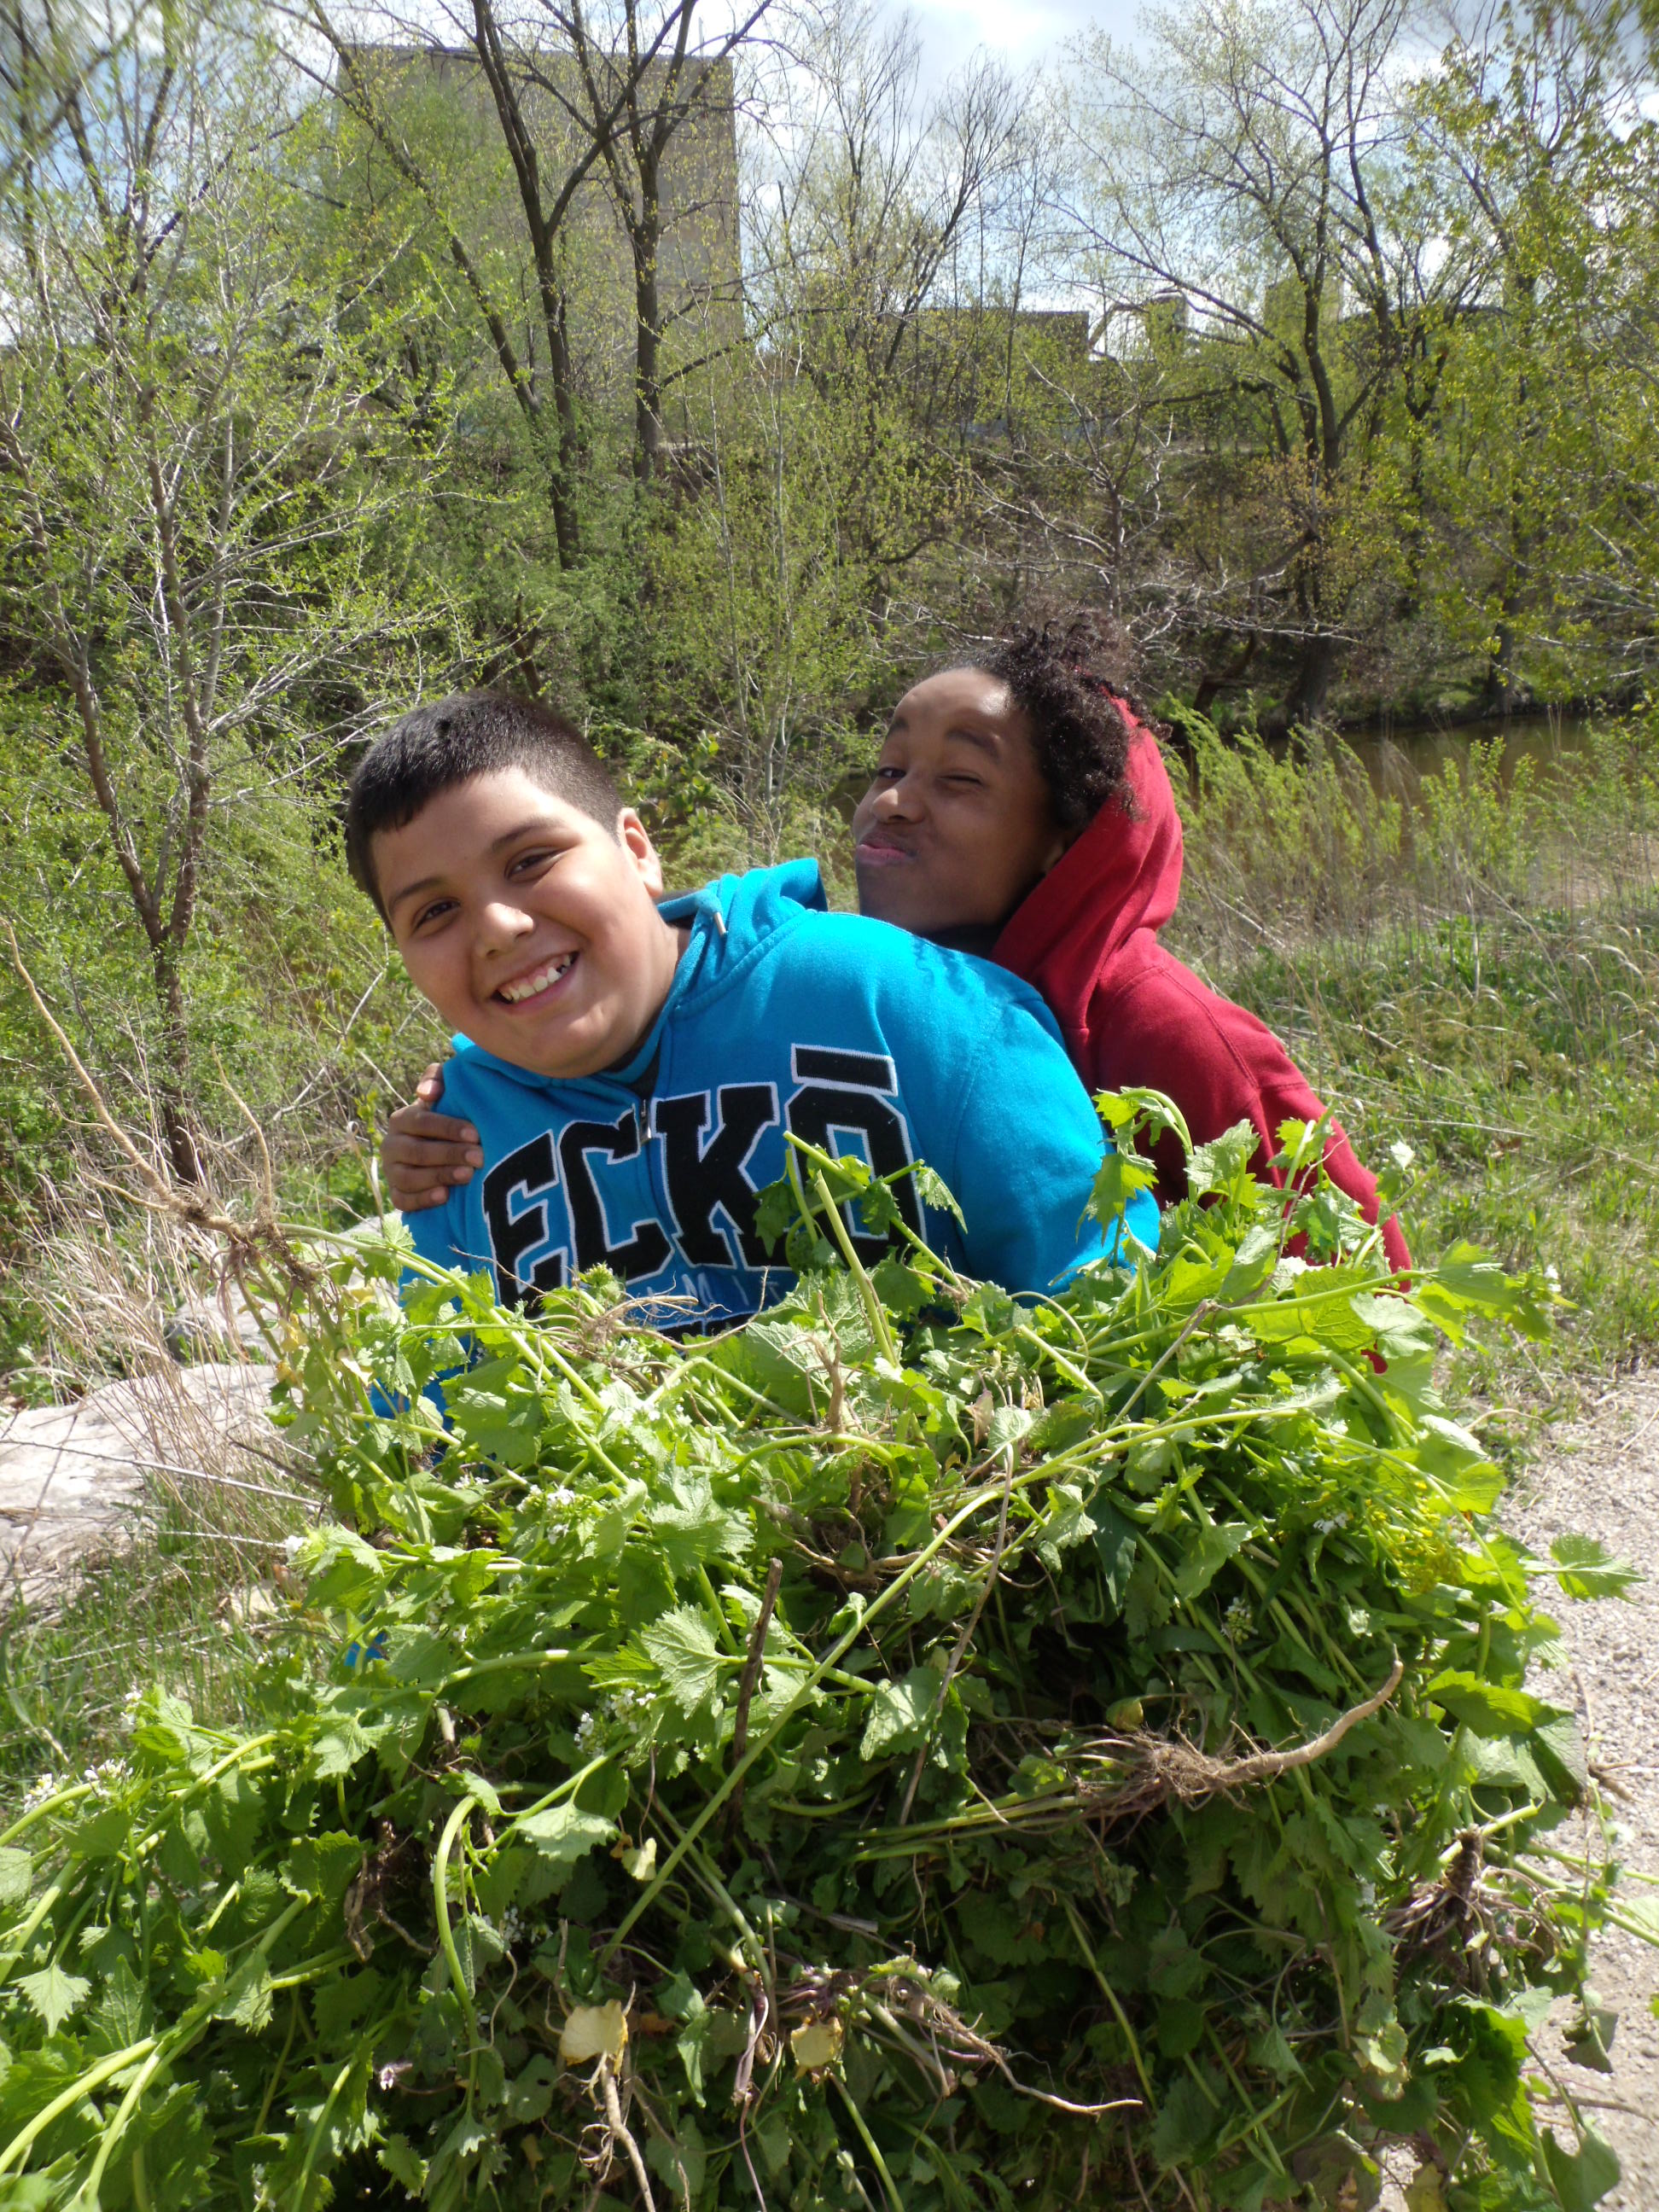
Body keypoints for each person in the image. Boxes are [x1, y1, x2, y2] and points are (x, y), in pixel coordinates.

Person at [381, 636, 1407, 1272]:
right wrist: (493, 1078)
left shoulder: (1147, 1021)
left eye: (960, 781)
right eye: (888, 764)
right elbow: (696, 988)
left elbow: (1342, 1246)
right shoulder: (872, 975)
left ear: (1067, 840)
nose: (896, 798)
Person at [346, 688, 1155, 1325]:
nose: (497, 927)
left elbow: (1104, 1289)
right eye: (434, 913)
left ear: (635, 851)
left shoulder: (898, 1004)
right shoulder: (452, 1149)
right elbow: (445, 1425)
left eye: (530, 860)